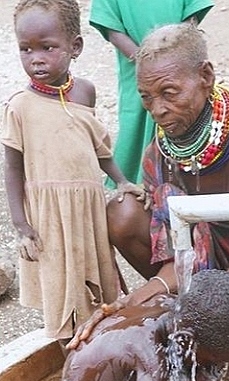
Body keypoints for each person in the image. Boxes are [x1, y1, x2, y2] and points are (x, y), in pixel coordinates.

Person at [68, 23, 229, 368]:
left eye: (170, 93)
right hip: (201, 260)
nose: (157, 109)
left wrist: (190, 312)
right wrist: (132, 303)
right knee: (122, 211)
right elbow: (177, 260)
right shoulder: (159, 153)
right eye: (147, 97)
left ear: (206, 76)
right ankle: (206, 327)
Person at [1, 0, 149, 343]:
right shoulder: (19, 106)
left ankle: (103, 341)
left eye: (47, 47)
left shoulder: (85, 92)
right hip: (50, 216)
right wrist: (22, 226)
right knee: (61, 284)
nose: (36, 58)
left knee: (97, 273)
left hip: (88, 206)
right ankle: (71, 354)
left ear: (75, 46)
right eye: (26, 49)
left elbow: (98, 147)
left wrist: (124, 180)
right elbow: (12, 169)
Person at [57, 269, 229, 381]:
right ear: (185, 340)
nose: (217, 367)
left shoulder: (173, 307)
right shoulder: (147, 349)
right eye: (216, 360)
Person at [89, 0, 214, 188]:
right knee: (138, 119)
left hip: (177, 64)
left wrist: (176, 50)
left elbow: (192, 14)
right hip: (137, 66)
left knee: (184, 113)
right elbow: (111, 26)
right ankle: (137, 185)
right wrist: (145, 61)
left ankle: (190, 178)